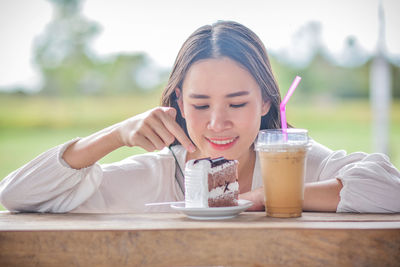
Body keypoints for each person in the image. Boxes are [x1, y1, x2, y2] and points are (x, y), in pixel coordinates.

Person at [0, 21, 399, 213]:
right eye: (202, 104)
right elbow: (15, 195)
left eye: (238, 103)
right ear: (178, 102)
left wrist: (263, 198)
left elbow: (389, 188)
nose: (217, 122)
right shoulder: (153, 176)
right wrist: (116, 134)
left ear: (265, 104)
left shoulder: (296, 163)